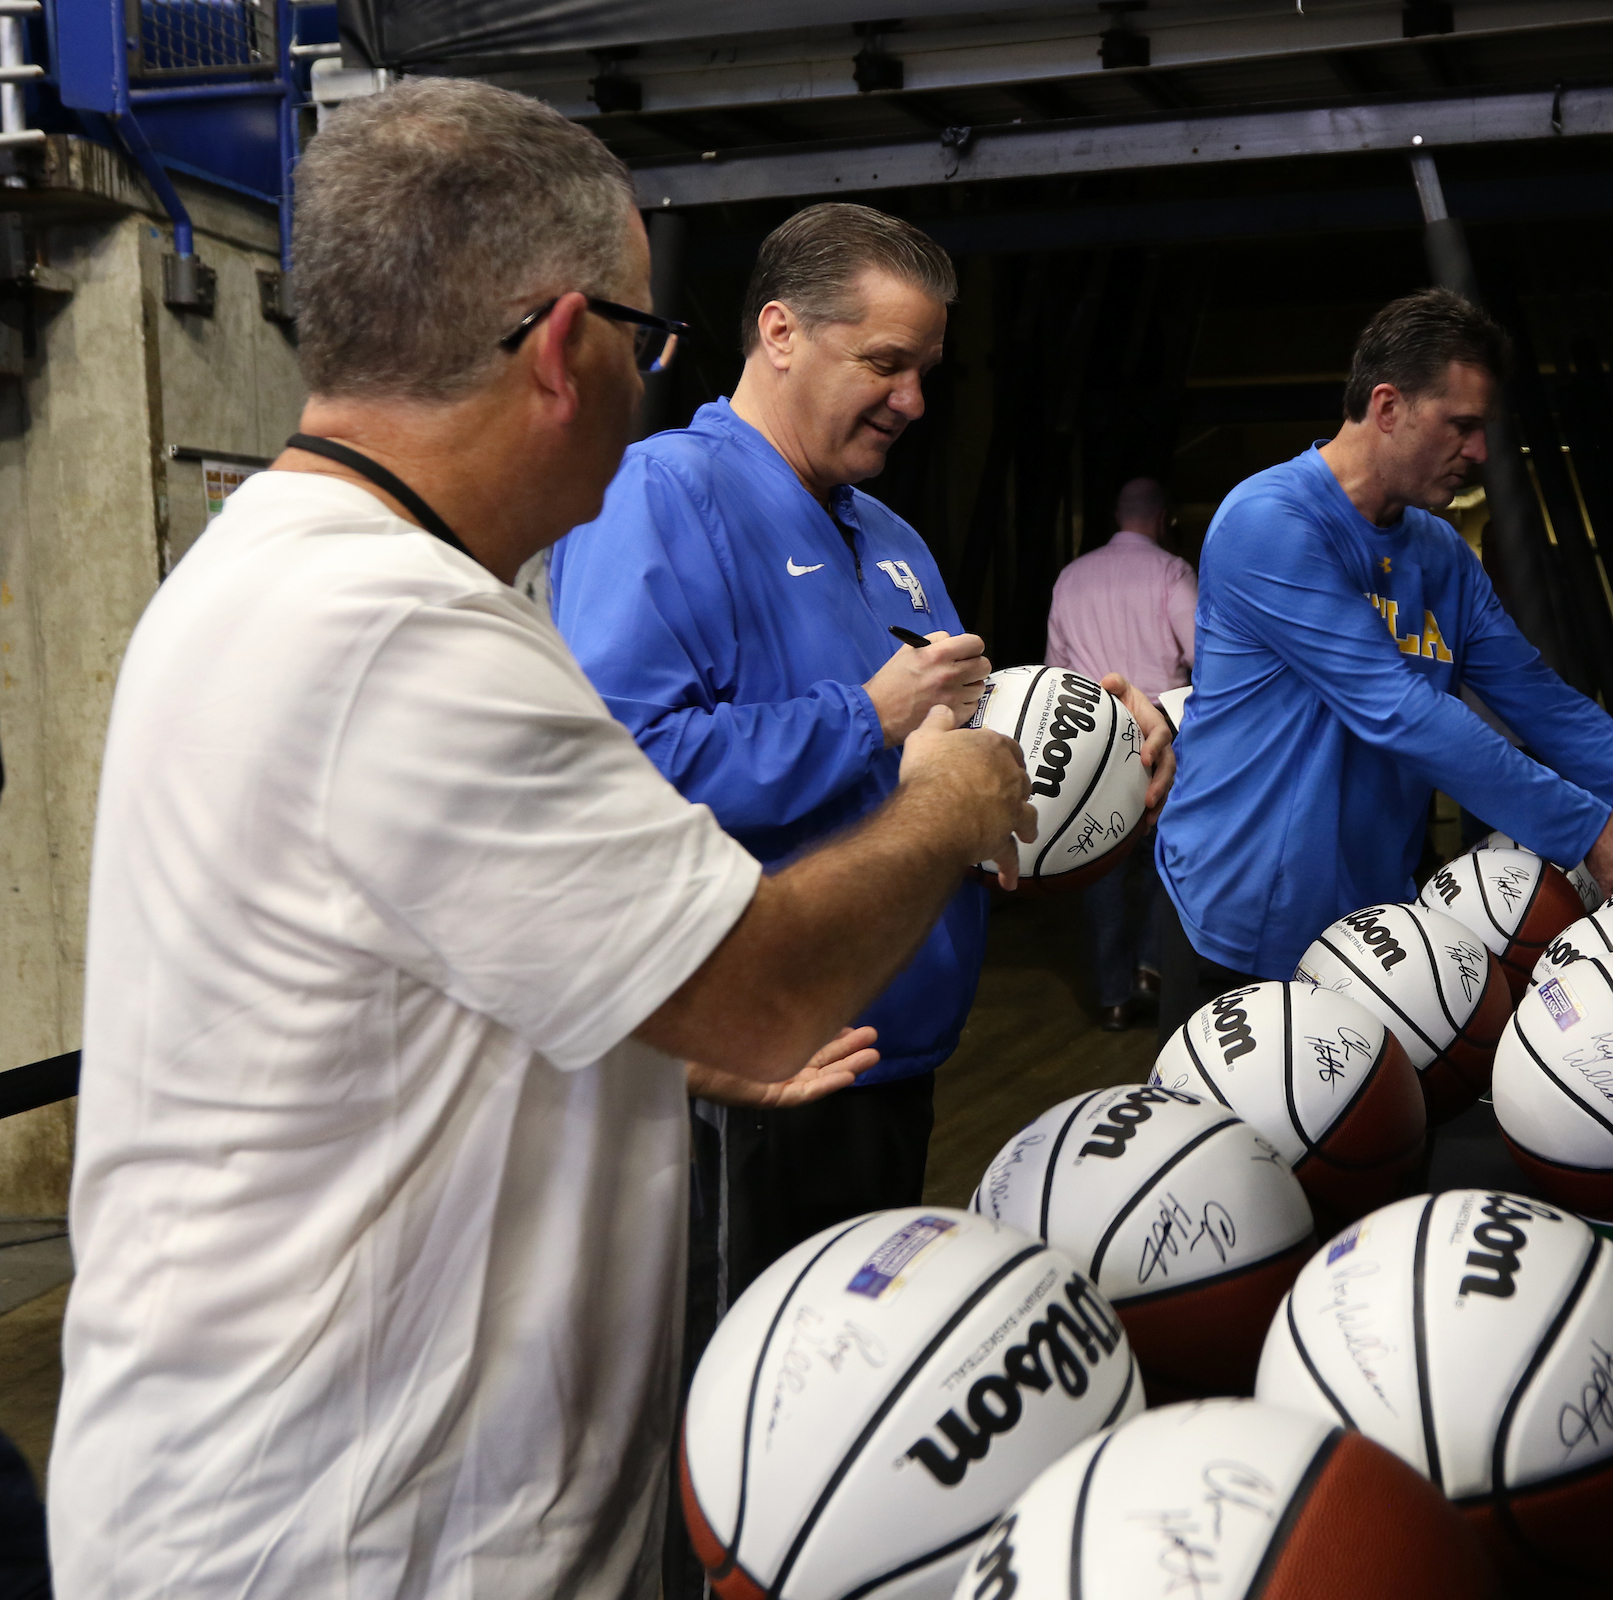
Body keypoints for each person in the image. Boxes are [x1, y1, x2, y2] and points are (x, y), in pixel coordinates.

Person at [47, 80, 1035, 1599]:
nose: (654, 386)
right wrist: (951, 798)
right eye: (650, 344)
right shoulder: (403, 636)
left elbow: (388, 978)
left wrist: (645, 1034)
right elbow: (767, 984)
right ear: (572, 345)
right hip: (366, 1537)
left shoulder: (274, 572)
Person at [547, 207, 1172, 1323]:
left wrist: (1088, 737)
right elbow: (625, 764)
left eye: (926, 370)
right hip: (766, 1077)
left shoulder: (892, 536)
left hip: (899, 1061)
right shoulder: (664, 494)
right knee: (756, 1432)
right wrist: (864, 717)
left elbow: (939, 751)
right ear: (779, 332)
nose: (915, 401)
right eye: (885, 363)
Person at [1154, 289, 1613, 1031]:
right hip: (1241, 916)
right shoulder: (1270, 523)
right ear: (1388, 407)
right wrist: (1588, 828)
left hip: (1371, 925)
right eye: (1462, 426)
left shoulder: (1440, 554)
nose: (1479, 452)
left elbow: (1542, 704)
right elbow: (1402, 711)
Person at [1045, 476, 1196, 1029]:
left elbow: (1054, 669)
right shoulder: (1171, 573)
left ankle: (1111, 996)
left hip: (1086, 733)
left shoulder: (1071, 578)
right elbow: (1205, 658)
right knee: (1169, 853)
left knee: (1098, 860)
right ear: (1162, 520)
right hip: (1159, 729)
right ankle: (1152, 966)